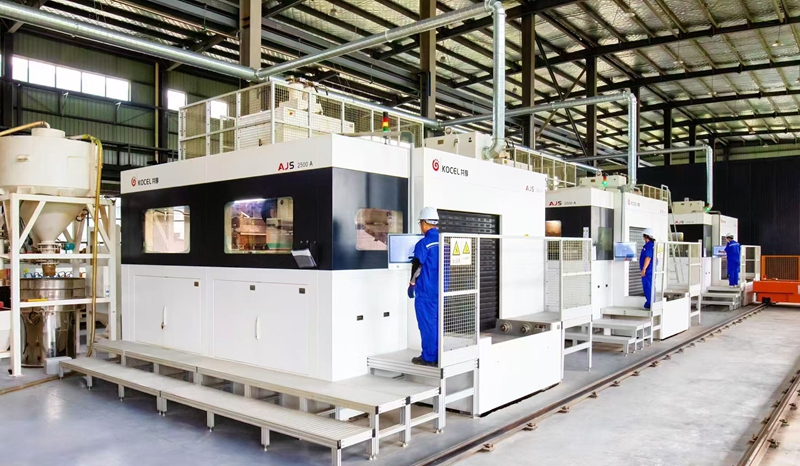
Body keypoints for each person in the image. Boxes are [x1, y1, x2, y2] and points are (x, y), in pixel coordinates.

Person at [407, 207, 440, 367]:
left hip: (426, 291)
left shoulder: (424, 243)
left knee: (427, 324)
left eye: (420, 223)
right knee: (438, 323)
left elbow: (417, 266)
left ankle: (429, 357)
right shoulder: (444, 241)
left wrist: (412, 284)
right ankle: (438, 354)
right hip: (441, 291)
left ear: (424, 223)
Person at [640, 228, 656, 310]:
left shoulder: (649, 246)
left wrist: (644, 269)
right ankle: (651, 303)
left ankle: (650, 303)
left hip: (648, 270)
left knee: (648, 287)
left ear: (646, 236)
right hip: (651, 270)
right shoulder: (653, 245)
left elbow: (648, 258)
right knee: (651, 286)